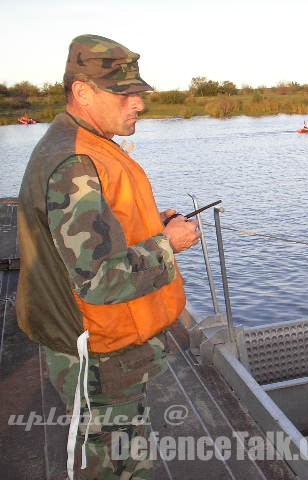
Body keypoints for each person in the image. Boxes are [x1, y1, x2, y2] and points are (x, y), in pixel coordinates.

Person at [16, 34, 201, 479]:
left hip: (101, 347)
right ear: (83, 91)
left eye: (138, 92)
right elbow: (99, 278)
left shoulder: (78, 143)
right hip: (97, 352)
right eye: (125, 93)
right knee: (118, 468)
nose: (138, 103)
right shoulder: (75, 160)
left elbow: (89, 229)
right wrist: (168, 244)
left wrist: (149, 222)